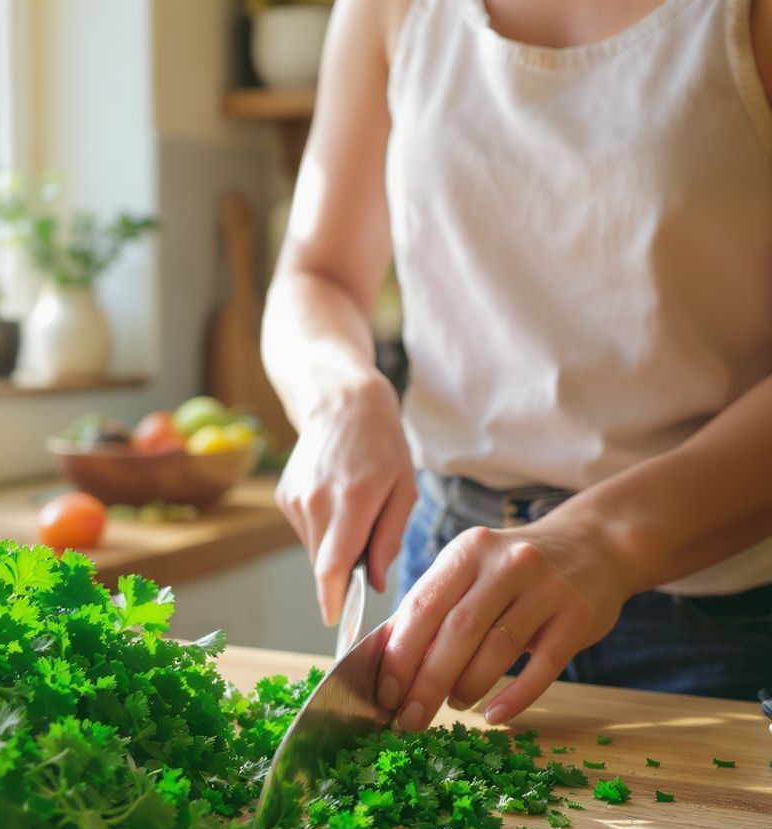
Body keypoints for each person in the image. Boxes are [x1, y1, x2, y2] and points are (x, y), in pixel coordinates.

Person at [261, 0, 772, 732]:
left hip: (723, 613)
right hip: (447, 575)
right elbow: (317, 275)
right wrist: (338, 396)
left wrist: (604, 538)